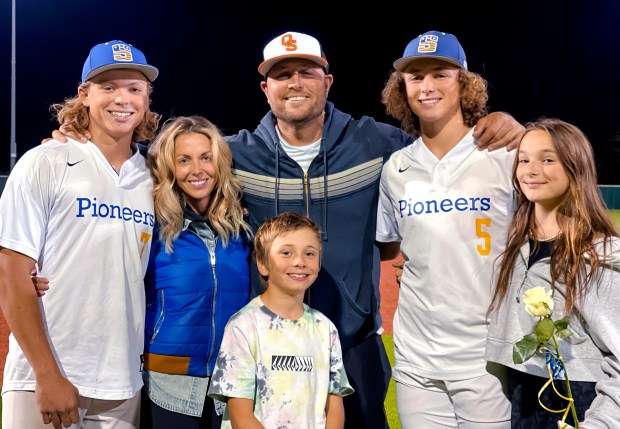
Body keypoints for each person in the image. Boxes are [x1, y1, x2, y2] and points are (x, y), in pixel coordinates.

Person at [48, 30, 524, 428]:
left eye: (306, 72)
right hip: (266, 343)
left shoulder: (379, 144)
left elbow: (441, 142)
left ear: (327, 80)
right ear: (266, 89)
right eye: (280, 74)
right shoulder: (236, 154)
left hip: (353, 341)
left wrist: (502, 124)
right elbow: (171, 160)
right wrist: (83, 137)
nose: (294, 82)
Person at [0, 40, 160, 429]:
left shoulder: (156, 176)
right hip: (45, 376)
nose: (122, 98)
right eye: (108, 87)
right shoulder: (45, 161)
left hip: (123, 382)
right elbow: (11, 274)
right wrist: (46, 374)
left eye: (134, 89)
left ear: (146, 100)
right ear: (84, 95)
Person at [376, 30, 515, 428]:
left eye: (441, 74)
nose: (427, 86)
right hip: (416, 358)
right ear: (402, 87)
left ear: (465, 84)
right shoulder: (397, 168)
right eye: (415, 77)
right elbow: (392, 248)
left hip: (486, 356)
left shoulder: (505, 153)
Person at [486, 118, 620, 428]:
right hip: (522, 397)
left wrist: (600, 423)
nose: (530, 170)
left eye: (547, 159)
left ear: (575, 168)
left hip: (581, 399)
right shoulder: (514, 248)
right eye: (523, 159)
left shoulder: (599, 256)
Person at [140, 115, 252, 429]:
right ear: (170, 168)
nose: (197, 170)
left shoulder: (242, 226)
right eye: (184, 160)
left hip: (231, 379)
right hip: (167, 380)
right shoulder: (152, 225)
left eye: (206, 158)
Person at [207, 211, 354, 429]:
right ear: (262, 264)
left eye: (310, 254)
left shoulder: (325, 328)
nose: (300, 261)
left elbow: (334, 403)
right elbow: (240, 415)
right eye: (286, 252)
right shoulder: (244, 326)